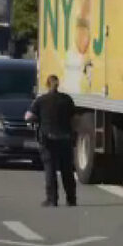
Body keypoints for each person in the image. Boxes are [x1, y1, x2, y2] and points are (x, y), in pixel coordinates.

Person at [25, 74, 77, 207]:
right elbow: (74, 117)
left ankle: (52, 199)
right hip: (65, 138)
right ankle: (71, 199)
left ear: (47, 85)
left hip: (48, 138)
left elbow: (28, 117)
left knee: (50, 169)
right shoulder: (67, 100)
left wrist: (37, 120)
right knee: (67, 170)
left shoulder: (41, 100)